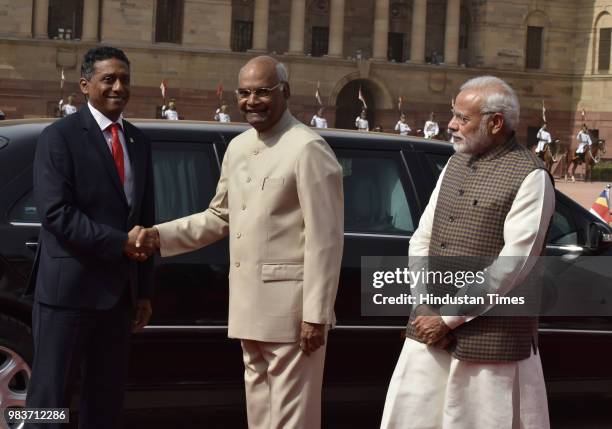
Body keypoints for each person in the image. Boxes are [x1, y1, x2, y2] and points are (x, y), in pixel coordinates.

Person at [135, 56, 343, 429]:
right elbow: (220, 217)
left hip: (293, 314)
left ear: (285, 93)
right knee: (259, 416)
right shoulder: (238, 147)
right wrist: (158, 236)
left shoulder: (307, 148)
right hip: (248, 308)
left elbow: (325, 238)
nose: (252, 101)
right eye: (244, 93)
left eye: (262, 92)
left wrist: (316, 314)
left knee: (293, 420)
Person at [381, 76, 554, 429]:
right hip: (428, 330)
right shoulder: (455, 163)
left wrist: (447, 319)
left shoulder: (531, 177)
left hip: (490, 343)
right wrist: (425, 303)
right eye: (453, 115)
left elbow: (513, 265)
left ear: (495, 123)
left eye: (462, 118)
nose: (452, 125)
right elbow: (422, 238)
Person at [25, 46, 156, 429]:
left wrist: (143, 290)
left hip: (118, 300)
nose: (118, 87)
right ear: (85, 85)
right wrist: (120, 242)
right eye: (108, 79)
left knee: (105, 404)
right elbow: (56, 214)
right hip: (67, 296)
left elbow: (145, 220)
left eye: (125, 80)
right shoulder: (59, 137)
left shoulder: (138, 142)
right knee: (47, 403)